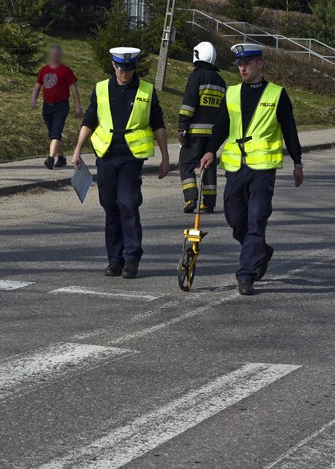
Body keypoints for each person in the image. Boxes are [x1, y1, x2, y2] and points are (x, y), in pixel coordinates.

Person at [200, 43, 304, 296]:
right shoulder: (232, 93)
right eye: (239, 64)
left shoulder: (277, 94)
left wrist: (297, 161)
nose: (242, 68)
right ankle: (261, 251)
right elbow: (221, 126)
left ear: (260, 64)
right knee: (235, 219)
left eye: (247, 63)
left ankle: (245, 274)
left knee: (257, 218)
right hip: (236, 166)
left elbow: (289, 128)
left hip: (263, 168)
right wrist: (210, 150)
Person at [72, 47, 169, 279]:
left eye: (128, 69)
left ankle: (131, 258)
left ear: (134, 68)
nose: (124, 73)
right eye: (120, 69)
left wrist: (165, 157)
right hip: (106, 156)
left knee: (127, 204)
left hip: (131, 157)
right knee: (110, 207)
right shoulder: (101, 89)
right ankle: (114, 259)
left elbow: (158, 123)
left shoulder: (145, 90)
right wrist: (76, 151)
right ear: (113, 65)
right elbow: (89, 120)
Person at [178, 41, 227, 214]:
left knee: (186, 163)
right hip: (213, 135)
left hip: (195, 132)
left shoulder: (196, 77)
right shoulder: (221, 82)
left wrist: (182, 126)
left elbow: (189, 104)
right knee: (209, 165)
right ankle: (209, 202)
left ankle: (191, 198)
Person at [31, 45, 82, 169]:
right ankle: (61, 158)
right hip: (47, 106)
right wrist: (34, 99)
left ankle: (50, 159)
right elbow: (38, 86)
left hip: (61, 106)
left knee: (56, 132)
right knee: (53, 133)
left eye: (56, 54)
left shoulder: (66, 70)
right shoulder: (44, 70)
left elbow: (74, 89)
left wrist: (78, 106)